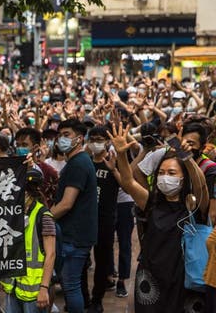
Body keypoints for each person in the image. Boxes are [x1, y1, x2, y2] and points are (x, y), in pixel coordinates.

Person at [108, 123, 208, 313]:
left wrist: (184, 156)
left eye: (171, 173)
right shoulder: (150, 201)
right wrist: (121, 154)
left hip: (180, 279)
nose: (164, 177)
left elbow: (201, 185)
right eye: (160, 173)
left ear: (183, 178)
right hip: (150, 279)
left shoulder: (192, 205)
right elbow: (128, 182)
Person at [47, 119, 98, 313]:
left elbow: (67, 203)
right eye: (59, 135)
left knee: (71, 285)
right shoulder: (78, 161)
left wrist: (44, 217)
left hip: (74, 235)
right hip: (74, 233)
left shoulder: (78, 163)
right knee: (71, 283)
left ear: (80, 138)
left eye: (66, 135)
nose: (61, 139)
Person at [1, 168, 56, 313]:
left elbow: (51, 254)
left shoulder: (43, 216)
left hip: (34, 291)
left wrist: (44, 288)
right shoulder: (12, 213)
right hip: (12, 285)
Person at [85, 126, 121, 313]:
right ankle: (83, 297)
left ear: (107, 141)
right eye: (93, 139)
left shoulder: (113, 161)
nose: (96, 143)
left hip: (105, 221)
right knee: (82, 261)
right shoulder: (85, 162)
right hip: (84, 219)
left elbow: (126, 184)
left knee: (102, 261)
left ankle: (97, 299)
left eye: (100, 139)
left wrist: (114, 170)